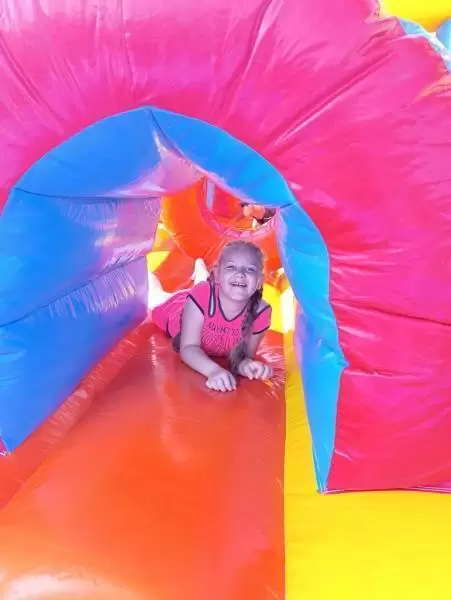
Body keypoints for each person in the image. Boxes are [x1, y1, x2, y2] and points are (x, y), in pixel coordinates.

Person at [149, 241, 273, 392]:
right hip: (180, 308)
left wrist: (247, 365)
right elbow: (188, 348)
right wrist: (213, 370)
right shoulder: (202, 296)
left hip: (207, 299)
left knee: (204, 288)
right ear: (218, 274)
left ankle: (201, 272)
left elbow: (243, 356)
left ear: (260, 281)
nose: (240, 274)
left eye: (250, 269)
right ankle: (149, 275)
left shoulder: (260, 312)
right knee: (155, 296)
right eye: (231, 267)